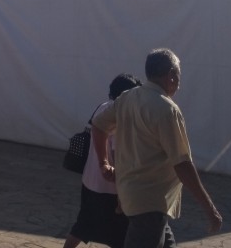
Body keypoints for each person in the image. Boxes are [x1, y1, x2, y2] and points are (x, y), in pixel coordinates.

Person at [91, 48, 222, 248]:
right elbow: (182, 164)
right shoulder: (167, 109)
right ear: (171, 75)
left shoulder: (128, 97)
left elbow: (99, 125)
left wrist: (103, 163)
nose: (179, 82)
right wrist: (210, 209)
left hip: (135, 196)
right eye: (178, 75)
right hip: (150, 202)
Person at [63, 73, 143, 248]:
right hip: (110, 186)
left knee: (83, 224)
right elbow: (118, 154)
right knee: (119, 234)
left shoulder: (103, 107)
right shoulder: (121, 115)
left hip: (90, 180)